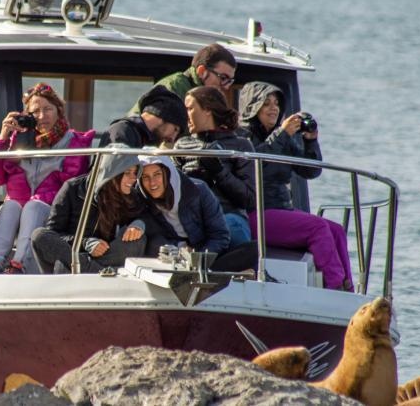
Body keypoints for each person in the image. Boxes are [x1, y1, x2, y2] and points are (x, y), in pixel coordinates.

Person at [238, 81, 354, 291]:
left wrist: (311, 141)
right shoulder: (242, 136)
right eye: (266, 103)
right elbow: (256, 161)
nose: (273, 108)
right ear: (252, 107)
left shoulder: (282, 137)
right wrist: (281, 134)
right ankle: (336, 287)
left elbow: (311, 171)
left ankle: (348, 288)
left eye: (276, 103)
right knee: (317, 228)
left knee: (336, 230)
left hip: (280, 210)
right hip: (254, 213)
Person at [0, 83, 95, 274]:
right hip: (23, 206)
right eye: (35, 112)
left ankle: (20, 264)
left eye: (48, 109)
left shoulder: (73, 142)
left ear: (59, 110)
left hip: (54, 209)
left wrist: (37, 197)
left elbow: (72, 186)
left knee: (33, 206)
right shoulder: (20, 140)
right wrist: (2, 138)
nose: (42, 117)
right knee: (10, 205)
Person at [30, 146, 153, 273]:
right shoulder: (72, 188)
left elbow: (147, 216)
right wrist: (85, 243)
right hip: (73, 255)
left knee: (138, 239)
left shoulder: (128, 194)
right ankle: (97, 271)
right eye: (127, 173)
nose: (134, 178)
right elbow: (55, 235)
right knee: (39, 235)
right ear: (112, 172)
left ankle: (88, 270)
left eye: (135, 172)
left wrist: (139, 224)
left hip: (105, 256)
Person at [137, 154, 255, 272]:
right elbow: (155, 237)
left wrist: (198, 258)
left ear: (167, 174)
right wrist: (179, 251)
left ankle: (209, 274)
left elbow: (220, 235)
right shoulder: (142, 200)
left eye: (157, 174)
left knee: (254, 249)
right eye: (145, 177)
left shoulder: (199, 190)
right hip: (174, 260)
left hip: (207, 256)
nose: (152, 183)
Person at [174, 86, 256, 247]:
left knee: (226, 227)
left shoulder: (240, 145)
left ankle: (202, 262)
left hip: (229, 216)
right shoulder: (181, 145)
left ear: (208, 110)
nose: (185, 115)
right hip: (193, 218)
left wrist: (219, 172)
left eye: (190, 108)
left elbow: (249, 199)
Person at [128, 43, 237, 114]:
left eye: (230, 81)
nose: (226, 87)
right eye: (223, 78)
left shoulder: (207, 97)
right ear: (201, 71)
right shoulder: (174, 88)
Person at [98, 86, 187, 148]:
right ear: (162, 116)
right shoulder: (123, 131)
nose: (173, 138)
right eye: (175, 129)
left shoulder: (144, 138)